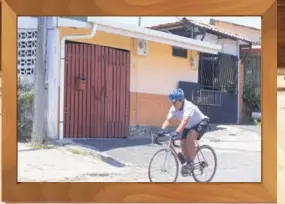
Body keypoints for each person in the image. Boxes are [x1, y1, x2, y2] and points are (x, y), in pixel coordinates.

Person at [158, 88, 210, 175]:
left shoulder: (188, 106)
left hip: (201, 122)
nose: (173, 104)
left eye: (175, 102)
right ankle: (188, 163)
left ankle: (191, 163)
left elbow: (184, 121)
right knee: (182, 142)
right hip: (189, 126)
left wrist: (177, 132)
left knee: (190, 136)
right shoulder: (173, 108)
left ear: (181, 100)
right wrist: (162, 129)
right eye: (172, 102)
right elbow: (168, 120)